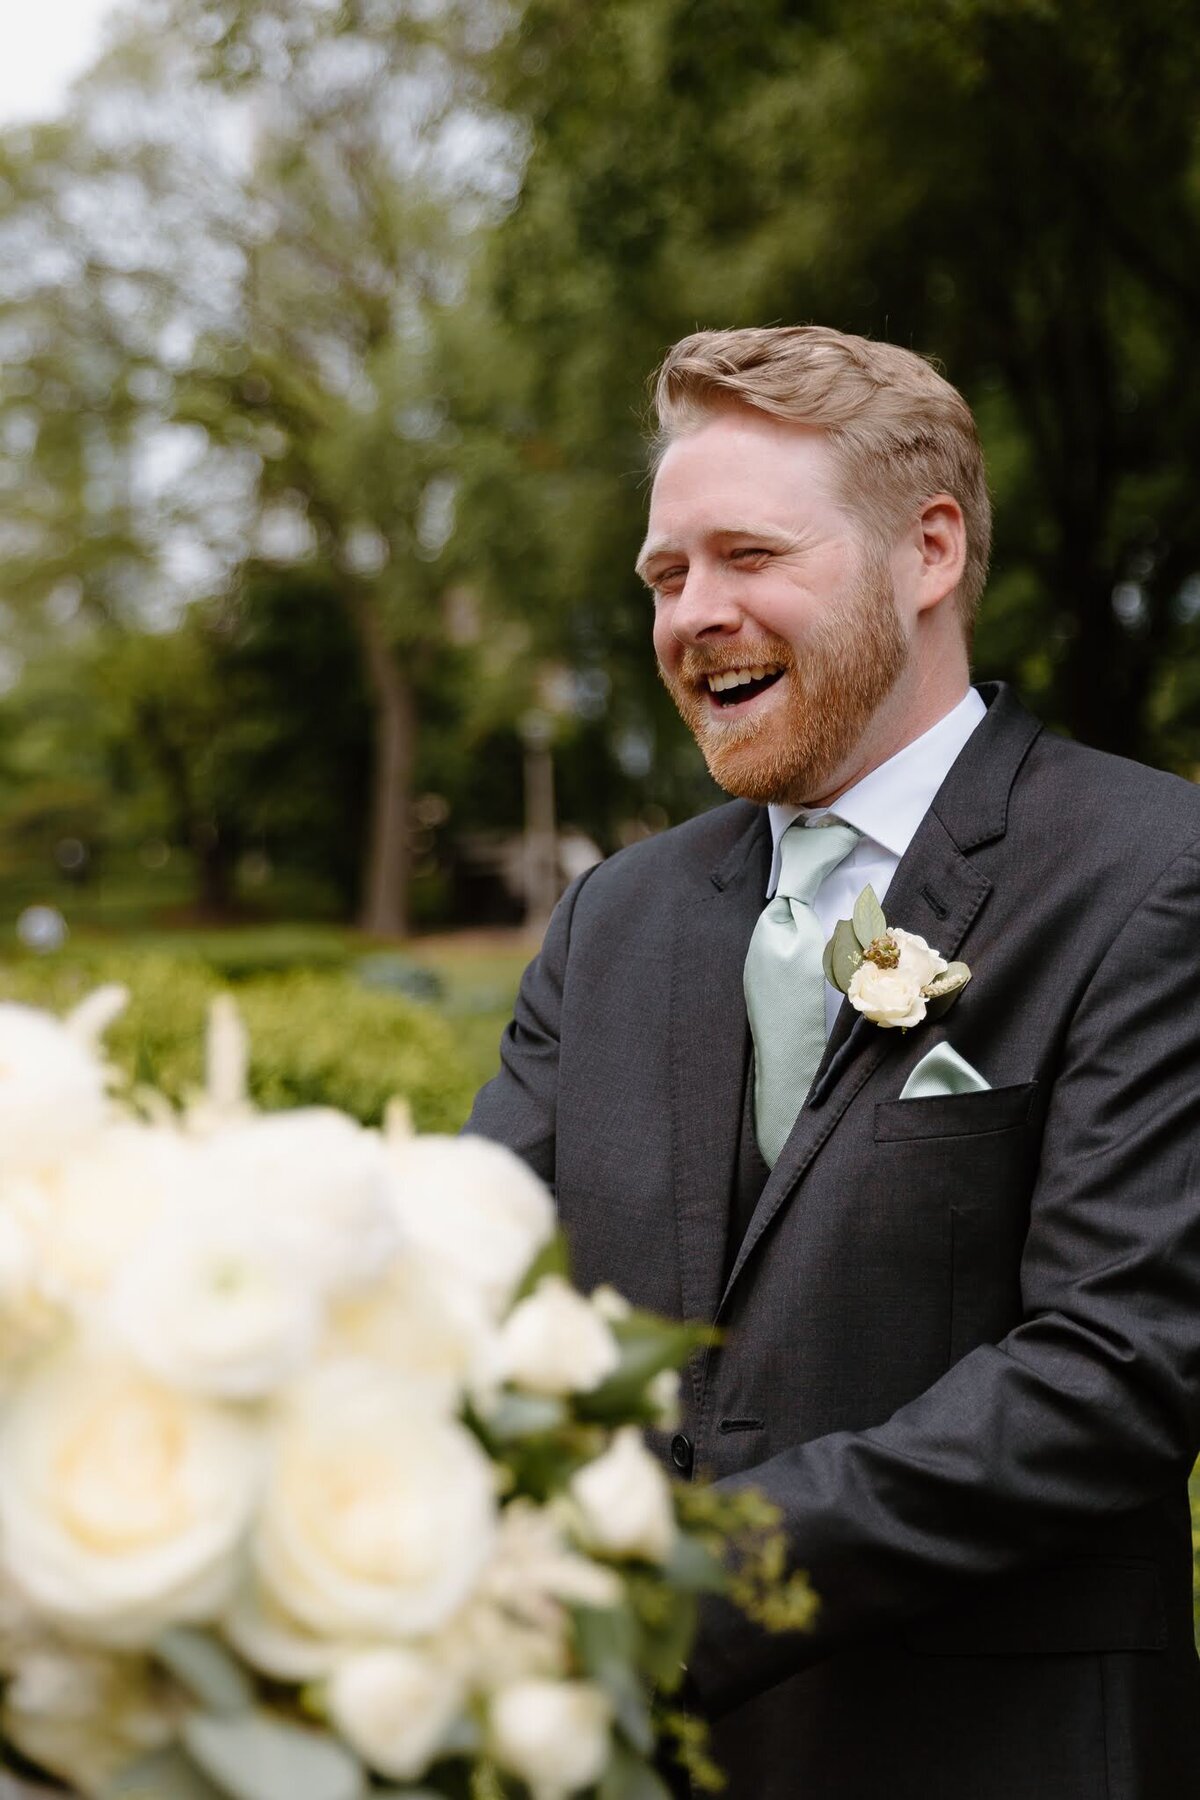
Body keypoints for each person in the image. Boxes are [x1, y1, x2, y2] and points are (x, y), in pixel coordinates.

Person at [466, 326, 1200, 1799]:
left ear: (928, 552)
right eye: (667, 577)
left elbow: (1118, 1368)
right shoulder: (615, 915)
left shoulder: (1152, 871)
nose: (694, 616)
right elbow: (469, 1269)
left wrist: (684, 1584)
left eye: (747, 555)